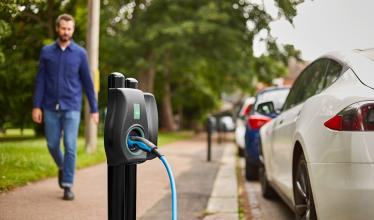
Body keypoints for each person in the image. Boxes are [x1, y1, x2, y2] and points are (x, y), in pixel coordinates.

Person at [31, 14, 99, 201]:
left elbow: (88, 82)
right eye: (63, 28)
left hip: (72, 107)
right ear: (57, 28)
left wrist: (94, 108)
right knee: (52, 144)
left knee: (70, 146)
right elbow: (41, 80)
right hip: (50, 106)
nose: (66, 32)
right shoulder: (46, 52)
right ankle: (62, 167)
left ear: (73, 30)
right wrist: (36, 106)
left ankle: (68, 185)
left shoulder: (80, 54)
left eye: (69, 29)